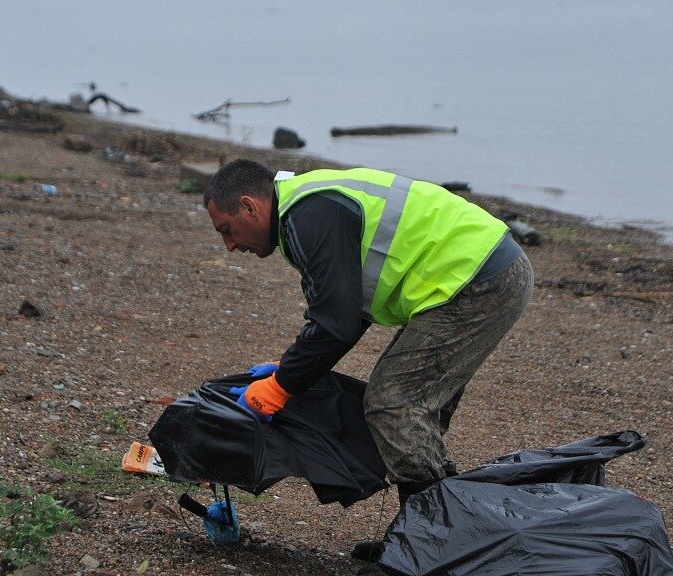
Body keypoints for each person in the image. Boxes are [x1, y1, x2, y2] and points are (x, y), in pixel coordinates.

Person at [203, 159, 534, 559]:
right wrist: (292, 369)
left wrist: (281, 386)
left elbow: (334, 324)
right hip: (472, 275)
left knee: (394, 404)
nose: (230, 246)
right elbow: (346, 310)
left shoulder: (309, 215)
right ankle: (431, 536)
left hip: (479, 279)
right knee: (414, 415)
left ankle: (428, 547)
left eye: (227, 230)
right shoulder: (306, 208)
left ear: (250, 207)